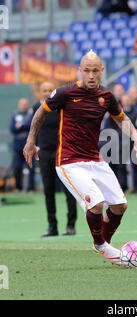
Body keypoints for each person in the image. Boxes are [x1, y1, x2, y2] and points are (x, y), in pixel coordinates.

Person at [23, 50, 137, 266]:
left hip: (94, 160)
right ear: (79, 71)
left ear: (101, 71)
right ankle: (102, 245)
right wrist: (30, 141)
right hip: (69, 162)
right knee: (97, 204)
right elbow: (40, 113)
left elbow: (122, 118)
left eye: (95, 71)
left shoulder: (107, 96)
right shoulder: (64, 93)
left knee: (120, 206)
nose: (91, 75)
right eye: (86, 71)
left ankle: (103, 243)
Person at [32, 82, 77, 237]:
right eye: (44, 90)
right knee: (48, 191)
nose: (47, 92)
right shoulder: (36, 107)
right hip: (44, 153)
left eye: (51, 90)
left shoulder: (61, 106)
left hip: (62, 152)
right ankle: (53, 226)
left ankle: (71, 225)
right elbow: (35, 128)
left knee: (68, 189)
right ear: (40, 92)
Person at [10, 98, 35, 192]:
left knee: (31, 167)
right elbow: (12, 128)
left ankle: (30, 188)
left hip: (29, 145)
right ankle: (18, 188)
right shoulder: (15, 114)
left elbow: (31, 126)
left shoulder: (31, 114)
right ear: (19, 105)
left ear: (28, 105)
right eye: (21, 104)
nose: (23, 106)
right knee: (17, 167)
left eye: (25, 104)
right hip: (17, 146)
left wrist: (21, 126)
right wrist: (23, 127)